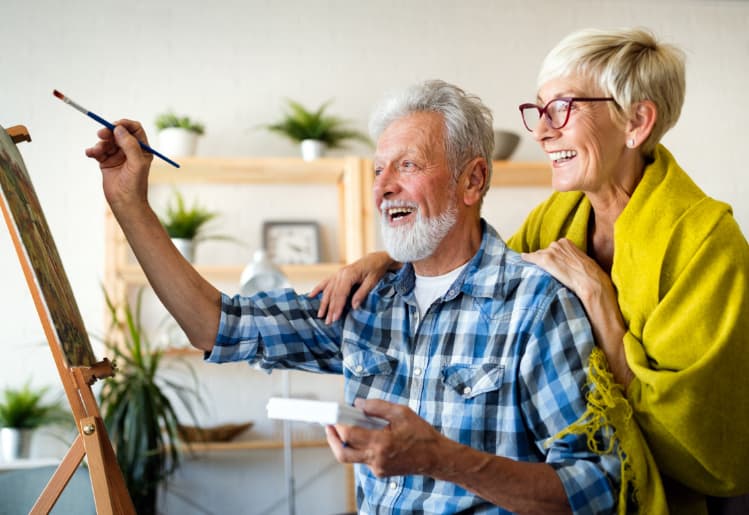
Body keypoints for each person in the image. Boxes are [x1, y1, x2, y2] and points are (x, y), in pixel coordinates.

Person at [86, 80, 622, 514]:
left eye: (407, 165)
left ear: (472, 180)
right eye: (377, 170)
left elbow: (597, 488)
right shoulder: (367, 299)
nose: (383, 186)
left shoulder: (535, 305)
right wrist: (129, 202)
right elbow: (214, 326)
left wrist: (442, 459)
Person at [312, 28, 749, 514]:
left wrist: (601, 303)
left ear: (637, 122)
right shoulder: (558, 216)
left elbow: (705, 450)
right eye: (539, 110)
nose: (542, 131)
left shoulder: (707, 243)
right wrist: (390, 258)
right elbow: (478, 266)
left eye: (562, 108)